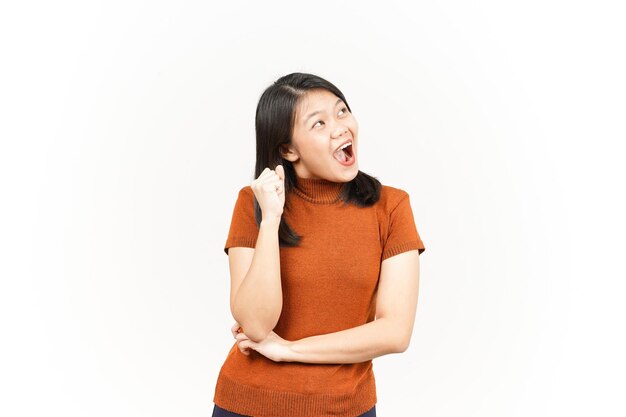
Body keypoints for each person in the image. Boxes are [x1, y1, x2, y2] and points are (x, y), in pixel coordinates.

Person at [211, 72, 426, 417]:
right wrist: (270, 220)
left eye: (342, 112)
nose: (340, 127)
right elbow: (255, 324)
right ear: (288, 149)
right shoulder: (254, 203)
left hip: (343, 408)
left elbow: (395, 332)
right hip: (247, 404)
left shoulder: (391, 207)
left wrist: (290, 350)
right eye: (319, 123)